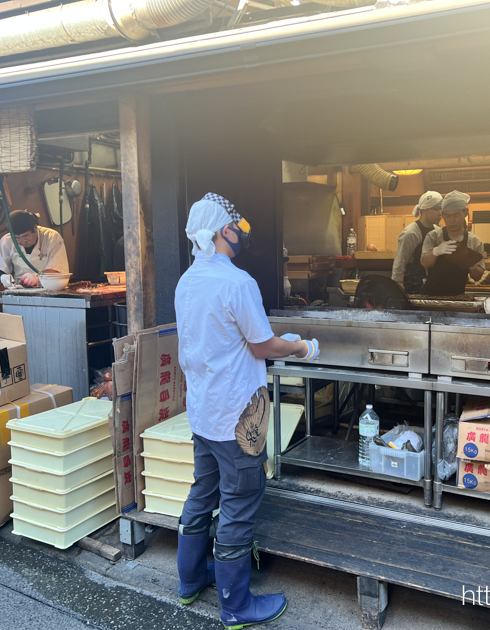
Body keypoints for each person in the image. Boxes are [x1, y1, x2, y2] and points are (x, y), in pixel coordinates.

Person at [174, 192, 319, 628]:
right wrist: (301, 346)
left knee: (202, 493)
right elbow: (262, 345)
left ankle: (189, 582)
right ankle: (236, 605)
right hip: (240, 419)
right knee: (239, 504)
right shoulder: (237, 283)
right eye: (238, 227)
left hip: (202, 411)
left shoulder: (187, 281)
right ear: (223, 231)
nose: (241, 235)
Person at [420, 190, 486, 296]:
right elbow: (425, 264)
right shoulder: (434, 236)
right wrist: (435, 252)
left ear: (465, 212)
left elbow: (477, 277)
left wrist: (470, 264)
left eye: (456, 215)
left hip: (458, 295)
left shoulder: (474, 241)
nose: (451, 220)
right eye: (447, 215)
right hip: (431, 295)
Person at [0, 210, 68, 287]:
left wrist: (38, 276)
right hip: (20, 288)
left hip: (47, 287)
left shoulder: (52, 238)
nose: (22, 241)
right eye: (17, 238)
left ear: (35, 228)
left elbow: (58, 268)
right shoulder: (7, 240)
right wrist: (3, 277)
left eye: (25, 236)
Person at [391, 191, 443, 293]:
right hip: (412, 285)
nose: (440, 213)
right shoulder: (411, 233)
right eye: (436, 209)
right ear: (423, 210)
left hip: (431, 284)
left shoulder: (437, 230)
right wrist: (398, 287)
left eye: (441, 209)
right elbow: (400, 262)